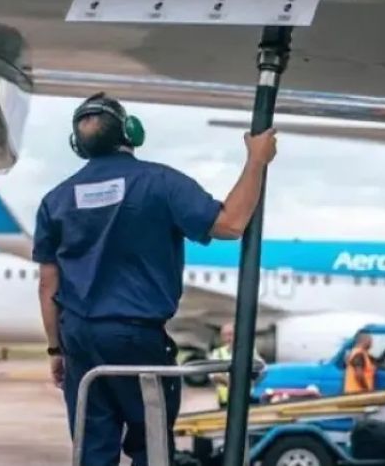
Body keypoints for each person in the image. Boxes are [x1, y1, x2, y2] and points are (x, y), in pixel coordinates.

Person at [33, 92, 277, 466]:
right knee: (152, 448)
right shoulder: (160, 183)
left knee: (92, 450)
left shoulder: (56, 200)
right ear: (131, 132)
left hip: (79, 339)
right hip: (137, 338)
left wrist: (56, 349)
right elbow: (231, 223)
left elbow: (48, 286)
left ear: (77, 146)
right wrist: (257, 160)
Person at [209, 322, 265, 409]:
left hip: (249, 398)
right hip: (227, 401)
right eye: (225, 335)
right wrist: (236, 384)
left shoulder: (249, 351)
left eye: (231, 334)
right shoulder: (217, 353)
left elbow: (262, 369)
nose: (228, 338)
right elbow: (214, 375)